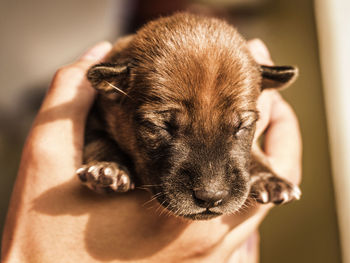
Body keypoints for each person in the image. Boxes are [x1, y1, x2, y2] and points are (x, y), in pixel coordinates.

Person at [1, 39, 301, 263]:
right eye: (163, 126)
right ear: (112, 87)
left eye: (241, 127)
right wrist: (104, 159)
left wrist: (259, 169)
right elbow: (92, 132)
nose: (211, 188)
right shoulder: (100, 104)